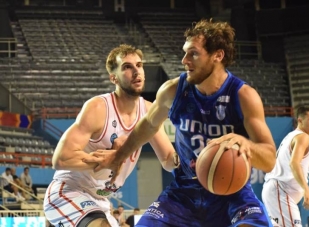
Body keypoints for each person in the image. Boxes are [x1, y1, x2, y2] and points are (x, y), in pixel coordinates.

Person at [84, 19, 277, 226]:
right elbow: (149, 125)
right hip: (184, 192)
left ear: (218, 55)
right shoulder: (173, 90)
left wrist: (245, 143)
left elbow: (269, 160)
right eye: (185, 52)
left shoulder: (243, 96)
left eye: (193, 53)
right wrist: (120, 154)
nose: (184, 60)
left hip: (232, 194)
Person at [43, 44, 177, 227]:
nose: (136, 71)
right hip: (69, 189)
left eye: (139, 65)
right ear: (113, 77)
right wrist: (107, 160)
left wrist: (194, 160)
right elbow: (60, 159)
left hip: (100, 201)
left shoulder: (148, 110)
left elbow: (169, 159)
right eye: (127, 67)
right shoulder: (98, 108)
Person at [262, 105, 309, 227]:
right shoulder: (303, 137)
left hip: (276, 190)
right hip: (280, 190)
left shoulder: (291, 136)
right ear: (300, 120)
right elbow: (294, 163)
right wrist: (306, 190)